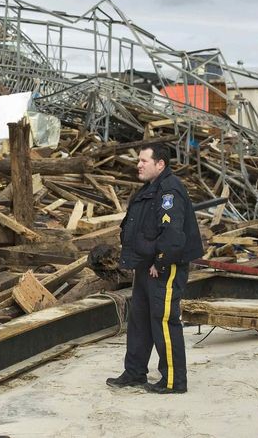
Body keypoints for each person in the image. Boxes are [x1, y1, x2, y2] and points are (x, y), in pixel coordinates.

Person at [105, 142, 203, 394]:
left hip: (163, 268)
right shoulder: (149, 189)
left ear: (160, 164)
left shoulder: (169, 191)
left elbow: (173, 235)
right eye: (138, 160)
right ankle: (135, 372)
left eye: (143, 161)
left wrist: (160, 262)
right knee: (139, 321)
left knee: (164, 320)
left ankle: (173, 380)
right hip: (145, 267)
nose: (138, 165)